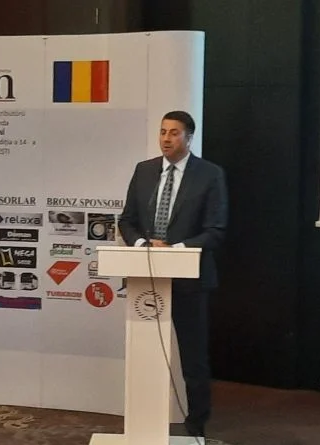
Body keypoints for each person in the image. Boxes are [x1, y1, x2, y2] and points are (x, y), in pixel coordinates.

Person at [118, 110, 228, 438]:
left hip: (189, 280)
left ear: (189, 138)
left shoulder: (210, 175)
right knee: (145, 353)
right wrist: (142, 244)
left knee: (193, 358)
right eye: (163, 132)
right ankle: (143, 419)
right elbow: (127, 219)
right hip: (145, 277)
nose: (166, 139)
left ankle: (196, 424)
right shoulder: (144, 170)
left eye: (174, 133)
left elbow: (216, 230)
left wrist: (175, 249)